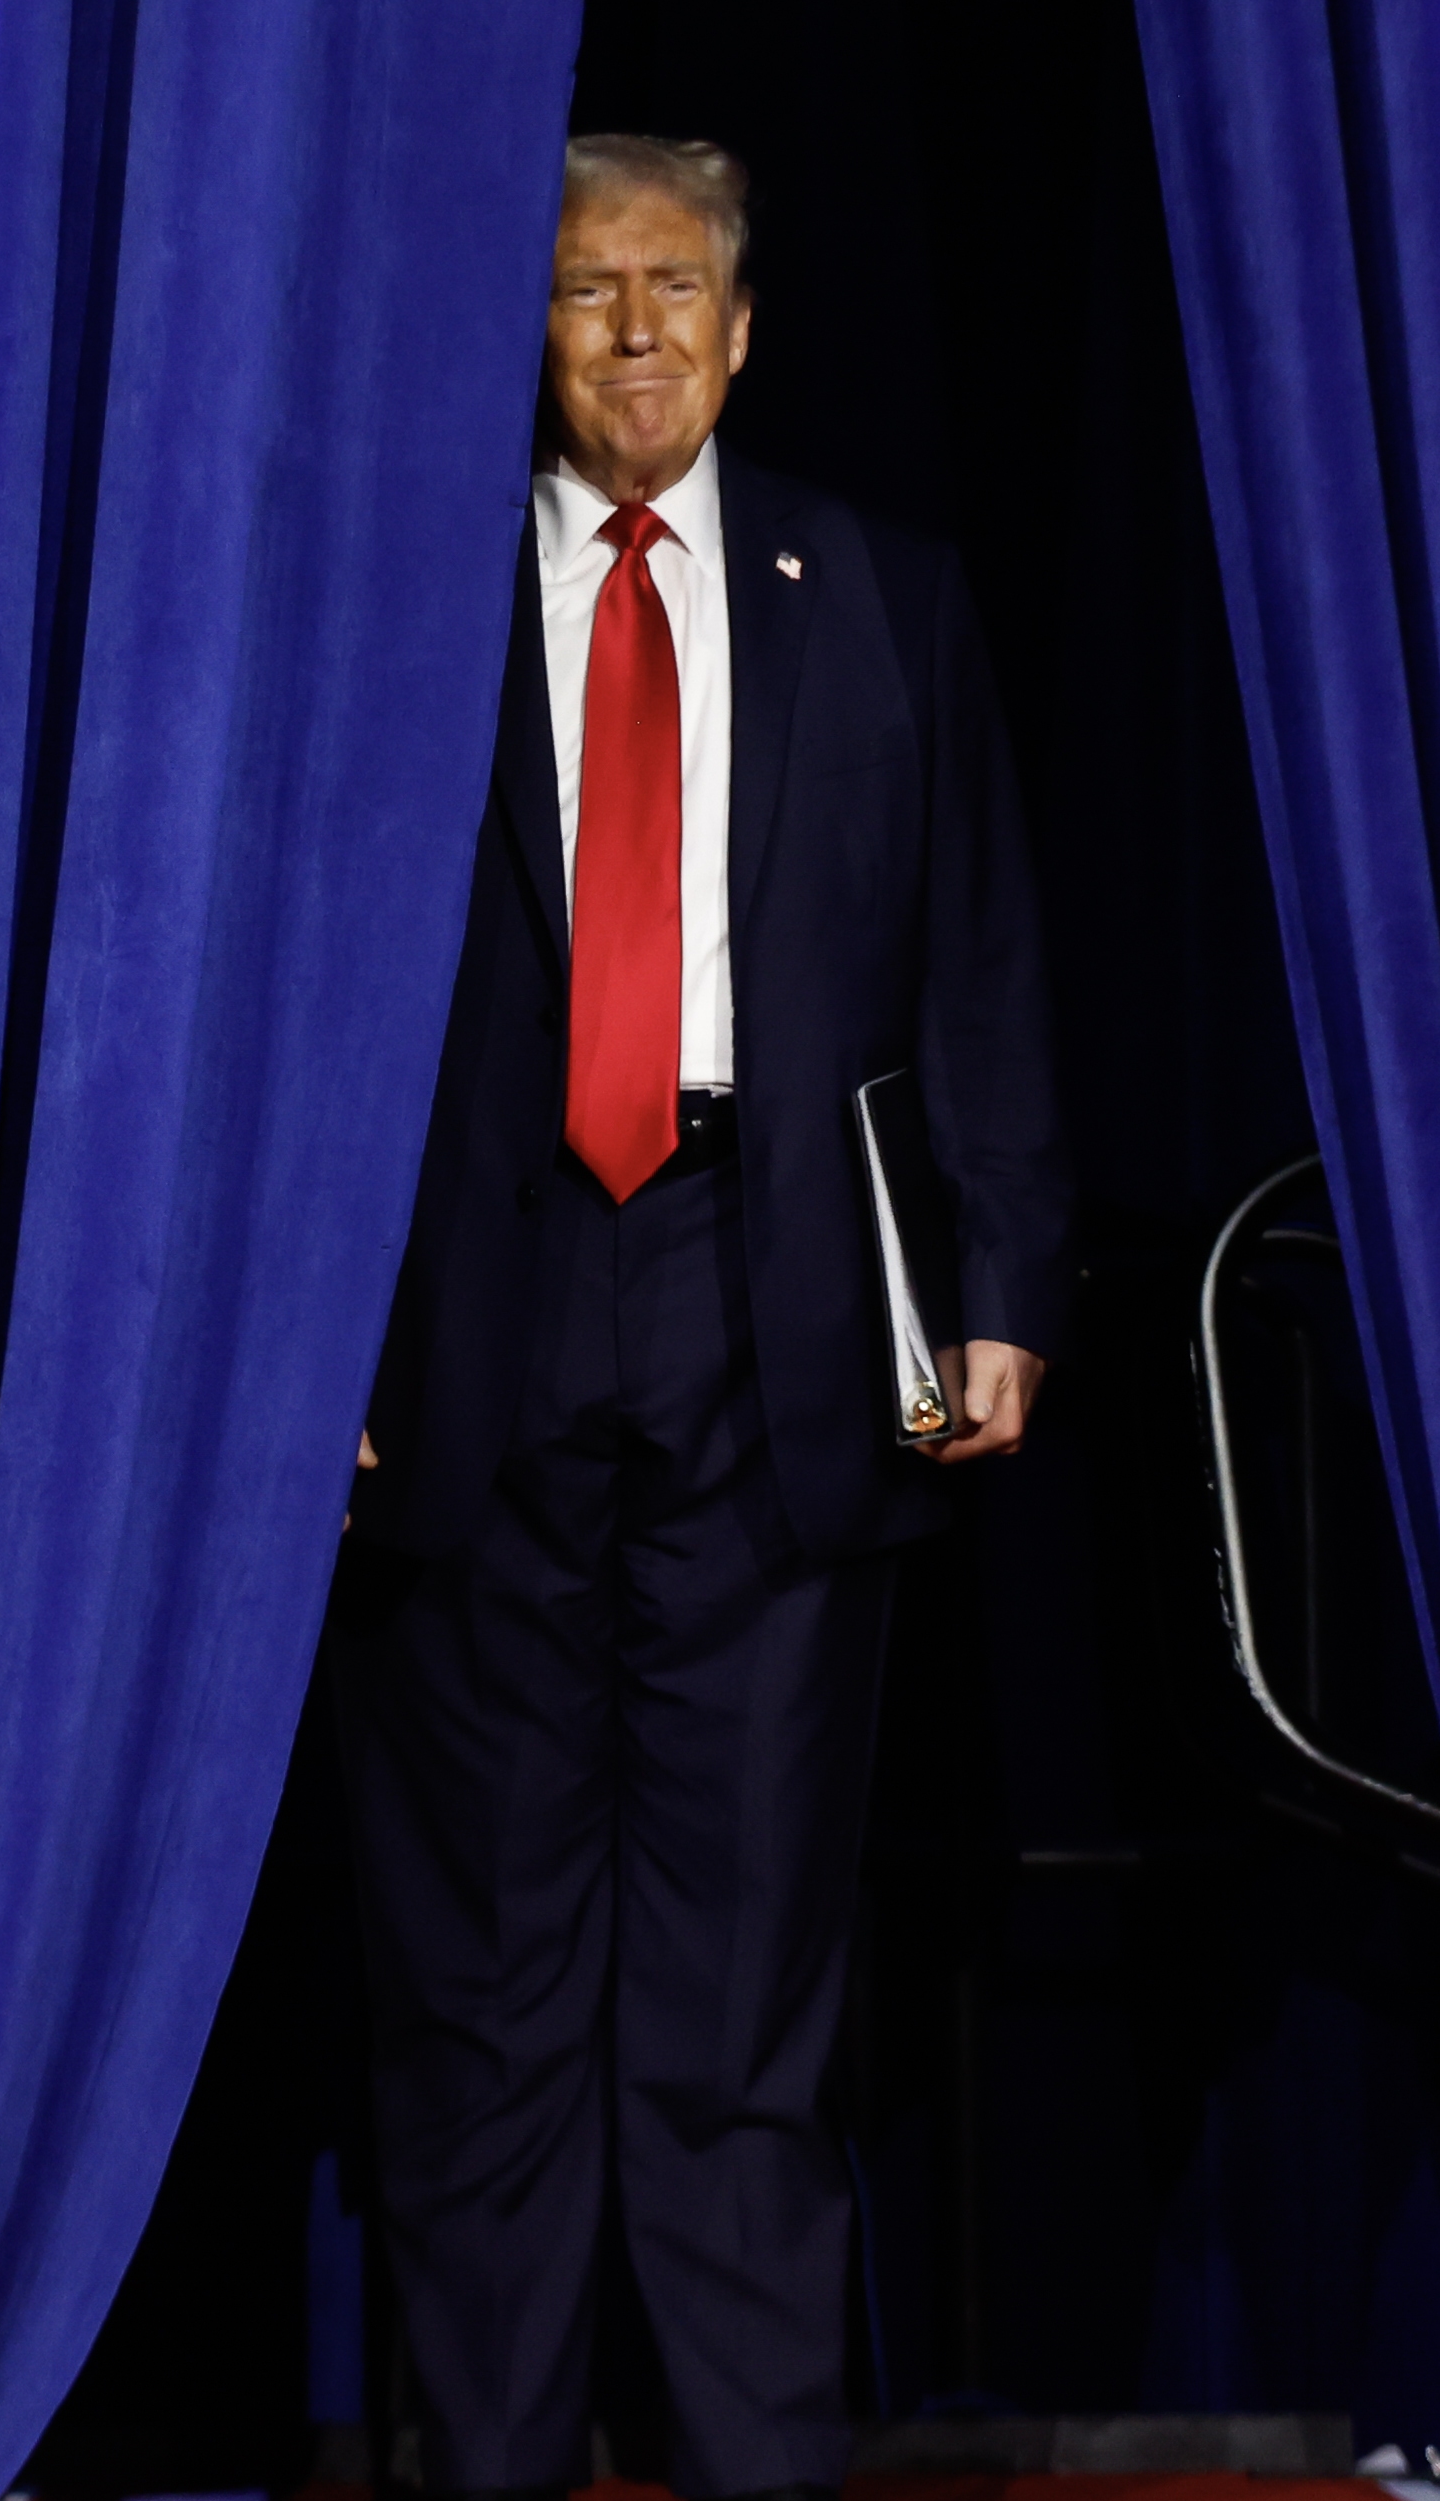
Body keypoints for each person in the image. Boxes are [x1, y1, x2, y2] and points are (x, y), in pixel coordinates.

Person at [342, 134, 1072, 2501]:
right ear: (527, 332)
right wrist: (314, 1353)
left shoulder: (872, 589)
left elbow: (974, 960)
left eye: (675, 286)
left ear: (746, 329)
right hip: (489, 1303)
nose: (636, 329)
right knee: (485, 1990)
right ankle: (492, 2464)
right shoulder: (407, 602)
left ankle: (754, 2470)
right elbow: (301, 1007)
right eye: (584, 292)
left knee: (745, 1986)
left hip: (768, 1294)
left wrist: (1004, 1283)